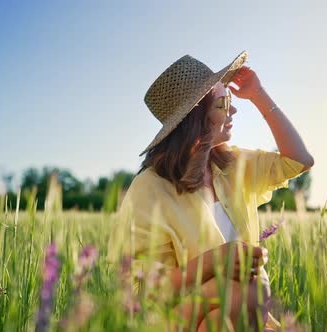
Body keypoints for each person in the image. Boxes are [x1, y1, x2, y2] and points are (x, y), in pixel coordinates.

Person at [107, 51, 314, 331]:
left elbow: (299, 160)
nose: (233, 109)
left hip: (237, 315)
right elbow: (141, 292)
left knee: (239, 301)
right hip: (172, 319)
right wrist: (213, 263)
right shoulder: (149, 189)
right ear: (195, 118)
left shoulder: (231, 166)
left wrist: (259, 95)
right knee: (245, 293)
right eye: (223, 103)